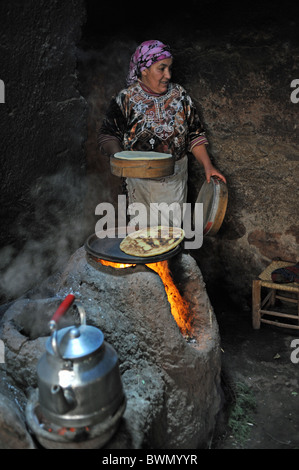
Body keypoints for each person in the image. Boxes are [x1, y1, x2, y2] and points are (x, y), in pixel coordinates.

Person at [98, 39, 226, 228]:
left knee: (171, 236)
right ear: (144, 70)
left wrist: (208, 165)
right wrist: (121, 158)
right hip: (139, 182)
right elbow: (107, 135)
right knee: (143, 237)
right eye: (162, 68)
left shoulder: (180, 95)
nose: (168, 75)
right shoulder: (125, 99)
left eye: (170, 68)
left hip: (175, 180)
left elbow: (194, 134)